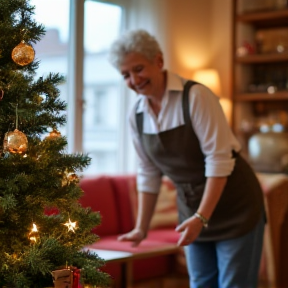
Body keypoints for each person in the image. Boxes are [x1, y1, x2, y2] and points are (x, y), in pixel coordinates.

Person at [108, 29, 265, 288]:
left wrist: (202, 217)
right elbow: (148, 171)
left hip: (235, 205)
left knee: (234, 285)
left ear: (158, 61)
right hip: (191, 210)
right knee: (201, 283)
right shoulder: (136, 114)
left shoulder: (196, 97)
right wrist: (141, 228)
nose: (134, 80)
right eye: (125, 75)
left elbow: (218, 160)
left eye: (139, 69)